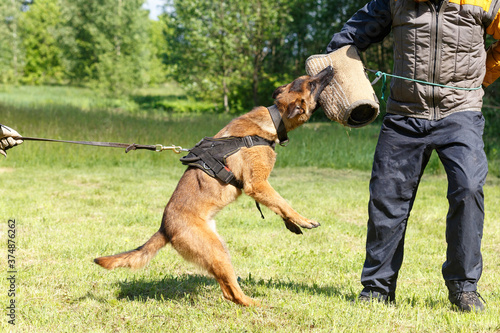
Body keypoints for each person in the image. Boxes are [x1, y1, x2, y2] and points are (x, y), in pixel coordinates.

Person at [326, 0, 500, 312]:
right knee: (386, 198)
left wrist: (484, 76)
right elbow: (349, 37)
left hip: (461, 112)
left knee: (469, 188)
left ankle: (464, 289)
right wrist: (340, 73)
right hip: (404, 114)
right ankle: (377, 289)